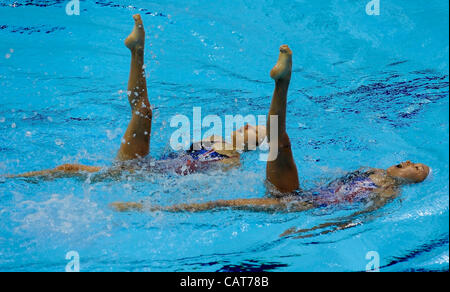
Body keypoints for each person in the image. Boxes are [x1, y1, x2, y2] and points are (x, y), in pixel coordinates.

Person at [110, 44, 431, 213]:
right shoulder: (375, 172)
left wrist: (305, 229)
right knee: (278, 140)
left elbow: (347, 216)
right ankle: (282, 83)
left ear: (414, 180)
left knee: (274, 145)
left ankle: (282, 83)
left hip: (302, 204)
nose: (410, 164)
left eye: (418, 168)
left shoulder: (390, 192)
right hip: (298, 197)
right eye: (413, 161)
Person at [6, 14, 266, 179]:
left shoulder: (232, 163)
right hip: (146, 164)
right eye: (252, 123)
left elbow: (191, 184)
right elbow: (174, 157)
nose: (246, 125)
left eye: (256, 131)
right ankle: (137, 50)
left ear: (255, 146)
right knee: (143, 111)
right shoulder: (213, 139)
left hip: (141, 176)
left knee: (72, 169)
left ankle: (9, 178)